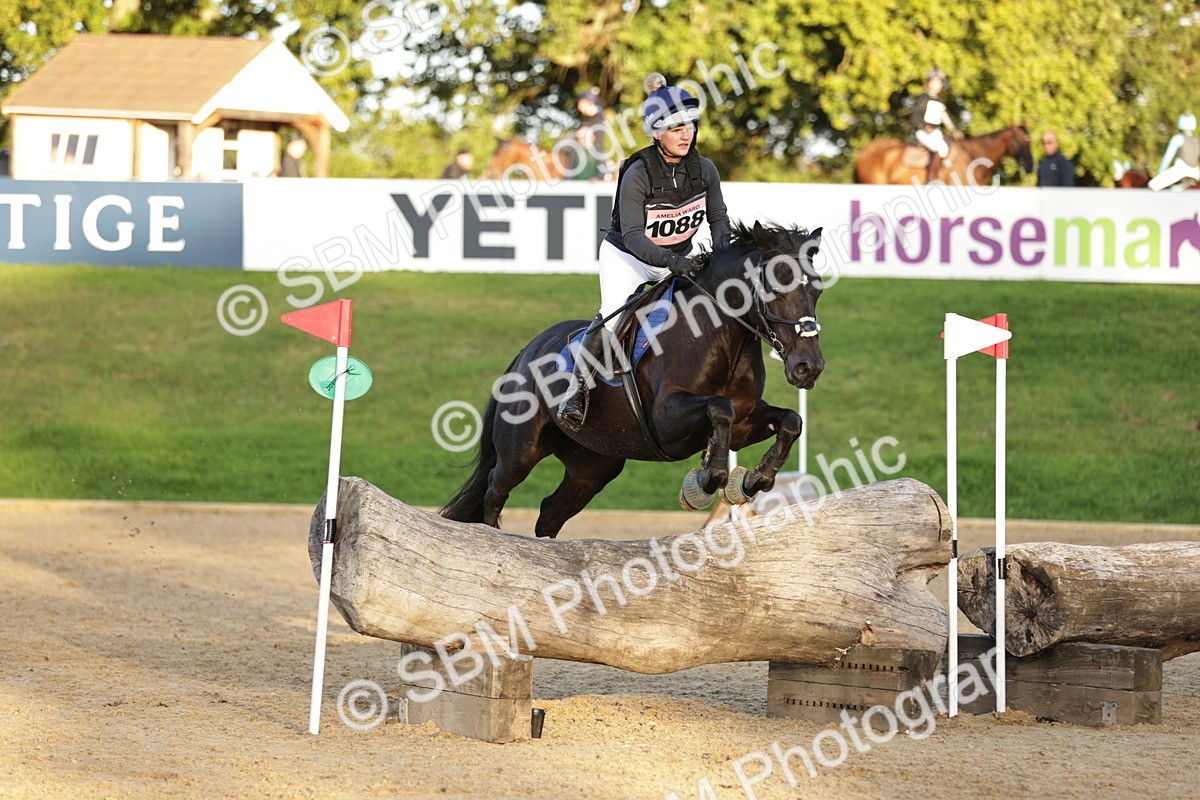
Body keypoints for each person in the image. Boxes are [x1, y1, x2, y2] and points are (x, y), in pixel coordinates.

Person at [556, 72, 731, 432]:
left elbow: (718, 218)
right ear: (656, 133)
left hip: (677, 260)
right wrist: (672, 262)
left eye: (691, 127)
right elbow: (634, 236)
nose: (687, 135)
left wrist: (723, 259)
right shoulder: (638, 172)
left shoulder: (705, 170)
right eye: (676, 128)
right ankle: (576, 390)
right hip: (629, 260)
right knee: (612, 315)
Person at [911, 68, 961, 181]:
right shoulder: (924, 97)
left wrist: (954, 130)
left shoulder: (939, 100)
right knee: (941, 149)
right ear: (929, 82)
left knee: (950, 146)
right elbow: (915, 116)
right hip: (924, 132)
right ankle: (931, 176)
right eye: (934, 81)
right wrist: (925, 127)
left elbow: (945, 118)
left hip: (936, 132)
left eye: (939, 82)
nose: (936, 85)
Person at [565, 88, 615, 181]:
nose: (579, 107)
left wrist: (599, 174)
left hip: (597, 162)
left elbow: (599, 147)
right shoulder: (588, 120)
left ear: (589, 103)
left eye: (581, 103)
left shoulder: (599, 122)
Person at [1150, 112, 1200, 191]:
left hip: (1181, 169)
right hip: (1196, 172)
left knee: (1152, 185)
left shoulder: (1177, 138)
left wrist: (1160, 172)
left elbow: (1167, 158)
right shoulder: (1197, 140)